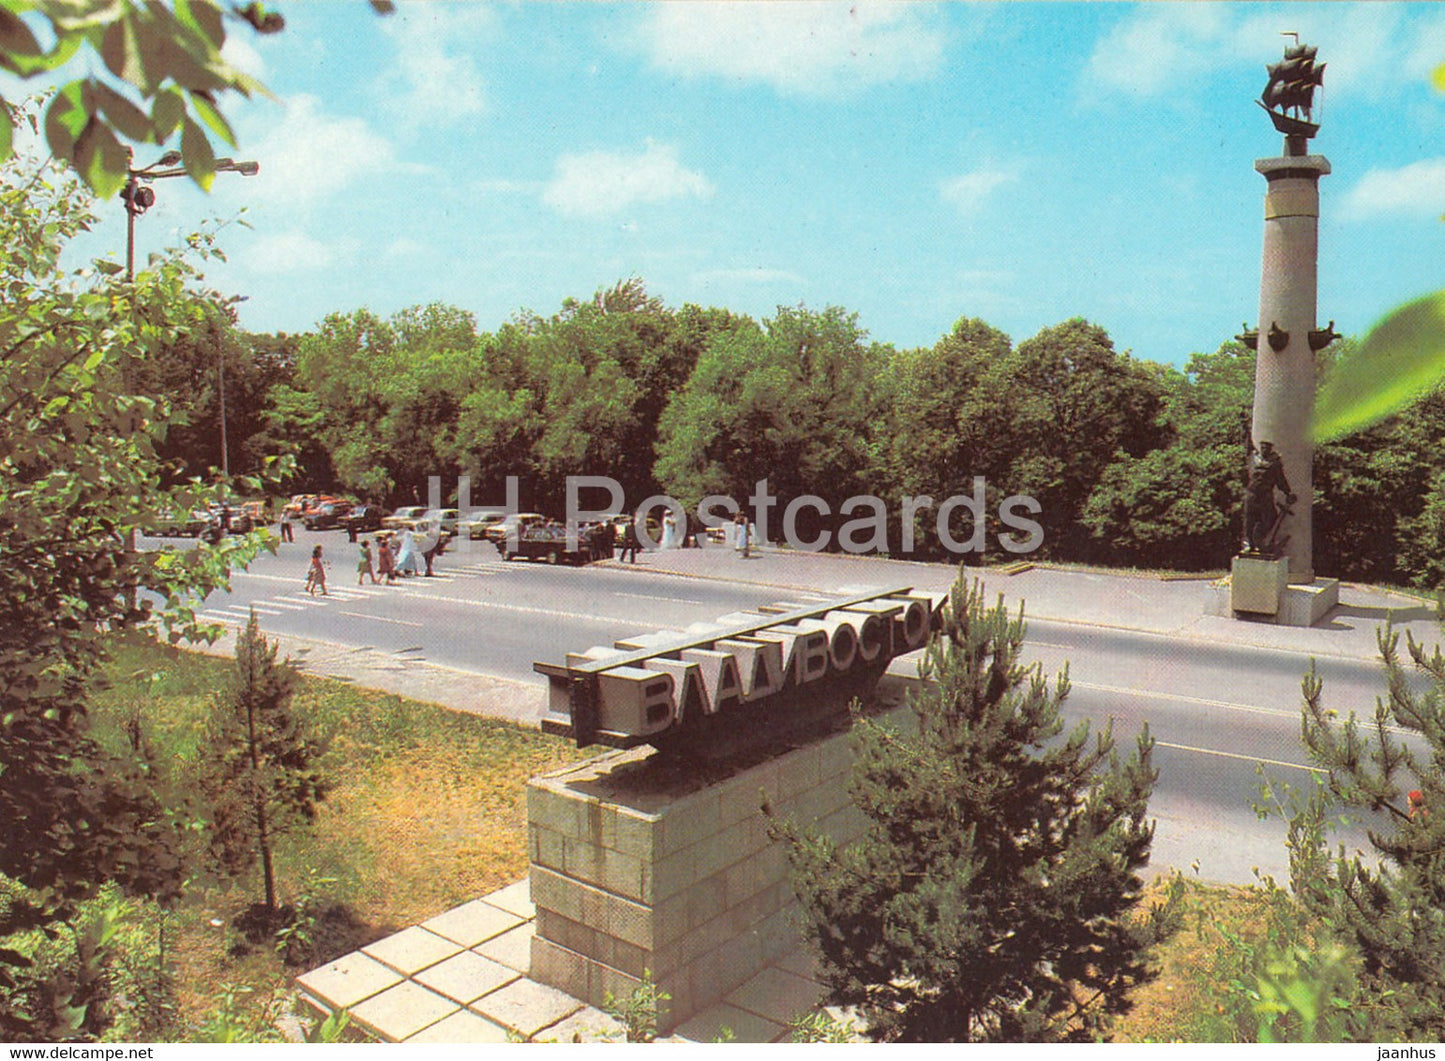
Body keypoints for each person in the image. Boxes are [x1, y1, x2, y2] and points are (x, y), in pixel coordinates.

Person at [1243, 440, 1296, 554]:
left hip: (1265, 496)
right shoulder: (1253, 459)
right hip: (1252, 495)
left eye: (1266, 448)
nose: (1264, 450)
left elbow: (1280, 480)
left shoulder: (1274, 463)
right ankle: (1250, 544)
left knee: (1269, 519)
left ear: (1270, 449)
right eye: (1262, 447)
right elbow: (1245, 474)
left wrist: (1287, 492)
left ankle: (1263, 542)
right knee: (1249, 520)